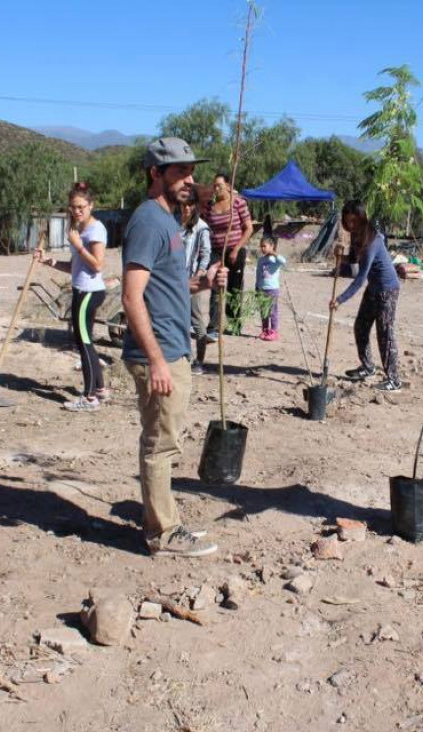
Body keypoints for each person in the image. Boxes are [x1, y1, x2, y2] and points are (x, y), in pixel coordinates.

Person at [121, 137, 226, 558]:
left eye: (191, 171)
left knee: (166, 439)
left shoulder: (168, 222)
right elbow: (132, 297)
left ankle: (164, 521)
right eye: (180, 172)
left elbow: (164, 287)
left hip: (171, 348)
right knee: (161, 443)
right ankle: (162, 534)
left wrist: (199, 283)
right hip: (159, 352)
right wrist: (157, 360)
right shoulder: (148, 221)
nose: (190, 180)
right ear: (155, 174)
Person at [36, 182, 110, 411]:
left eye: (81, 207)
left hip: (89, 292)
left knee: (83, 342)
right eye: (73, 207)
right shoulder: (81, 230)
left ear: (91, 205)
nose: (77, 211)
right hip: (81, 289)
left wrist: (78, 246)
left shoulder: (95, 230)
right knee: (86, 340)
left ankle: (89, 399)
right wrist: (50, 261)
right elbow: (76, 267)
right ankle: (100, 389)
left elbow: (97, 265)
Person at [330, 200, 402, 392]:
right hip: (374, 287)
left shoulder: (373, 240)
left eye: (354, 221)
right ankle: (368, 367)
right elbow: (353, 259)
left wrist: (340, 299)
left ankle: (394, 379)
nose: (351, 225)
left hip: (387, 289)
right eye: (347, 222)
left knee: (385, 333)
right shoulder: (356, 236)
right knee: (361, 326)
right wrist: (340, 256)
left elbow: (360, 277)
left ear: (362, 219)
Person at [203, 173, 253, 339]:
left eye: (219, 186)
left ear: (229, 186)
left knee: (234, 288)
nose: (216, 189)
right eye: (214, 186)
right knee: (215, 286)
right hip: (217, 252)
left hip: (235, 251)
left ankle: (235, 323)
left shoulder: (238, 203)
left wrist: (236, 249)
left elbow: (249, 228)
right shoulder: (210, 206)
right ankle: (214, 324)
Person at [178, 198, 211, 373]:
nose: (186, 208)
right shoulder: (177, 224)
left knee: (197, 320)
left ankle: (200, 360)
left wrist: (199, 274)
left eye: (190, 205)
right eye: (184, 205)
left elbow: (205, 253)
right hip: (178, 280)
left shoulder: (201, 227)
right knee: (180, 320)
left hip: (194, 280)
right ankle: (184, 356)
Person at [255, 234, 287, 341]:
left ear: (272, 246)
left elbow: (284, 261)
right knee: (264, 311)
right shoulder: (261, 260)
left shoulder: (275, 259)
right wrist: (257, 286)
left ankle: (274, 331)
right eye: (261, 246)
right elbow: (258, 273)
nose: (263, 248)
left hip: (272, 289)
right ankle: (265, 330)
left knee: (272, 311)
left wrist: (274, 253)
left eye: (265, 246)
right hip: (262, 288)